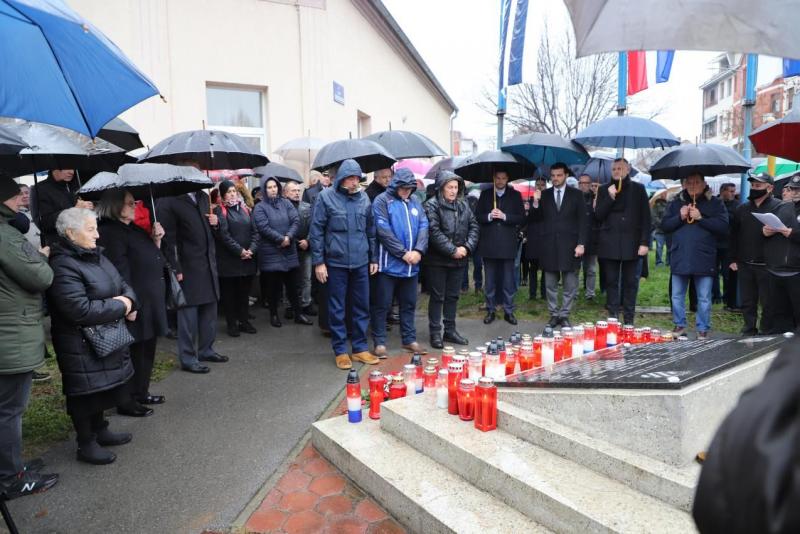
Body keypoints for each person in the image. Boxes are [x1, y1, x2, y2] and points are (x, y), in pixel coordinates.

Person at [48, 208, 137, 465]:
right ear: (70, 233)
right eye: (90, 229)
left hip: (104, 335)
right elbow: (78, 309)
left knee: (101, 387)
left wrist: (129, 300)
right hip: (79, 341)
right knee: (84, 393)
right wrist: (121, 306)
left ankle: (101, 429)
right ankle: (85, 443)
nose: (98, 235)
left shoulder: (95, 255)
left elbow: (122, 283)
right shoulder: (63, 263)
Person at [0, 180, 58, 498]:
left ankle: (12, 466)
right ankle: (10, 477)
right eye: (15, 196)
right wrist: (41, 256)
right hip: (10, 334)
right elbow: (40, 276)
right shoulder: (6, 235)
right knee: (9, 409)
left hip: (8, 330)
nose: (21, 201)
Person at [96, 190, 168, 416]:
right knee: (132, 352)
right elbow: (119, 272)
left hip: (150, 298)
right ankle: (126, 400)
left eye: (134, 202)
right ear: (116, 206)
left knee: (147, 348)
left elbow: (151, 257)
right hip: (135, 302)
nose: (135, 206)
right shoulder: (111, 232)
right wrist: (129, 303)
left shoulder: (134, 228)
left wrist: (156, 240)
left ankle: (141, 392)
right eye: (129, 203)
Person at [309, 159, 380, 370]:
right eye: (350, 178)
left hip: (360, 262)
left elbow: (371, 231)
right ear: (341, 179)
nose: (354, 182)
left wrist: (373, 258)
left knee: (361, 306)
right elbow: (316, 231)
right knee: (337, 308)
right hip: (335, 263)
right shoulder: (325, 197)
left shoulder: (364, 198)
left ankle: (359, 349)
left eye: (357, 178)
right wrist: (319, 262)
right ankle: (340, 350)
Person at [157, 180, 227, 374]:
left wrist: (216, 223)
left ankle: (206, 349)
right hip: (186, 266)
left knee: (210, 311)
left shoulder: (203, 197)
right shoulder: (169, 200)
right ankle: (188, 357)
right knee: (188, 315)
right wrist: (175, 267)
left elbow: (214, 232)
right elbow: (167, 240)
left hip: (208, 264)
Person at [661, 174, 729, 339]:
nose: (692, 185)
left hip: (704, 256)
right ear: (683, 184)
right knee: (677, 294)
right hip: (680, 254)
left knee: (704, 297)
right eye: (688, 182)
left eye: (696, 182)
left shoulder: (715, 203)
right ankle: (679, 325)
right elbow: (664, 226)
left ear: (704, 184)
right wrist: (680, 217)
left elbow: (723, 227)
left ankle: (703, 327)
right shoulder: (676, 202)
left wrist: (701, 218)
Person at [370, 168, 429, 357]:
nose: (406, 192)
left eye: (409, 189)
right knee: (382, 304)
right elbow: (383, 230)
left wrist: (419, 250)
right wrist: (403, 253)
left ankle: (409, 339)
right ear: (395, 185)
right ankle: (379, 343)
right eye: (403, 188)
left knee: (409, 303)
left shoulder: (415, 201)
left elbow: (423, 225)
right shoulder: (381, 201)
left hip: (411, 265)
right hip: (388, 265)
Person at [423, 171, 479, 349]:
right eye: (450, 187)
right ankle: (435, 332)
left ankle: (450, 330)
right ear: (441, 188)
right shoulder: (431, 206)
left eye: (456, 187)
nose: (453, 191)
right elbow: (434, 231)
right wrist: (452, 250)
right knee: (437, 296)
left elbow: (474, 226)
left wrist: (467, 247)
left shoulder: (463, 205)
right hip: (437, 260)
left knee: (453, 297)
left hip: (459, 259)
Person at [529, 162, 587, 328]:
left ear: (566, 176)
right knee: (550, 284)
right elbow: (534, 219)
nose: (555, 178)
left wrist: (581, 243)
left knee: (570, 284)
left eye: (559, 175)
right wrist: (535, 202)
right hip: (549, 245)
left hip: (571, 246)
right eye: (553, 176)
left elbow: (583, 222)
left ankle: (565, 314)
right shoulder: (544, 195)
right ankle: (554, 314)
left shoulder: (576, 195)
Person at [594, 158, 651, 324]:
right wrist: (609, 198)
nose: (616, 171)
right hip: (609, 243)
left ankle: (628, 319)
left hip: (632, 244)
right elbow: (598, 216)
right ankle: (612, 317)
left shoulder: (638, 189)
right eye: (614, 169)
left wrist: (645, 242)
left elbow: (646, 219)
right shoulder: (604, 189)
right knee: (611, 282)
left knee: (630, 283)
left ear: (628, 170)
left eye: (620, 168)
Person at [254, 176, 312, 327]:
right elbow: (263, 227)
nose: (273, 190)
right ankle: (274, 315)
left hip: (289, 251)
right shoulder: (260, 207)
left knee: (294, 284)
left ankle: (298, 314)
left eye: (275, 187)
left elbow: (295, 220)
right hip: (271, 252)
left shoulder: (286, 203)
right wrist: (281, 239)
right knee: (274, 287)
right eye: (269, 187)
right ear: (264, 189)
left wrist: (288, 236)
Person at [728, 173, 782, 335]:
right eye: (752, 186)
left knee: (768, 302)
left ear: (770, 188)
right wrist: (732, 258)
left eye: (758, 186)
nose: (754, 188)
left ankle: (767, 329)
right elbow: (733, 235)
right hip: (745, 263)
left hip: (768, 264)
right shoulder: (742, 209)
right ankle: (749, 328)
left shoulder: (779, 207)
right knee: (748, 300)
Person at [475, 170, 525, 325]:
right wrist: (489, 216)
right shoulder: (486, 195)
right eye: (498, 178)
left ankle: (508, 310)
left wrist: (505, 217)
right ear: (494, 179)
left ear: (507, 179)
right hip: (489, 243)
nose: (501, 181)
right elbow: (477, 216)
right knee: (489, 281)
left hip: (507, 244)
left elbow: (522, 217)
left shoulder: (515, 195)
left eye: (504, 178)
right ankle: (490, 309)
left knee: (508, 280)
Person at [213, 180, 259, 337]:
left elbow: (255, 232)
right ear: (223, 194)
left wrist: (251, 250)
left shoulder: (245, 209)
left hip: (247, 260)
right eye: (229, 191)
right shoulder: (221, 211)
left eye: (234, 191)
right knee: (230, 295)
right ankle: (232, 324)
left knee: (244, 294)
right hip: (229, 262)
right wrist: (240, 251)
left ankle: (244, 321)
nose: (232, 194)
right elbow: (224, 236)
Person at [761, 174, 800, 333]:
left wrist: (792, 233)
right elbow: (766, 230)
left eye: (798, 189)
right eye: (792, 188)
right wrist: (765, 231)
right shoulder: (782, 207)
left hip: (797, 270)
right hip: (777, 269)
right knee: (778, 315)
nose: (795, 192)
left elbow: (791, 233)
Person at [32, 169, 93, 245]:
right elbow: (43, 223)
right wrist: (73, 210)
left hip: (80, 241)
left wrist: (88, 207)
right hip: (58, 244)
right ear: (54, 168)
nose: (71, 172)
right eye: (66, 168)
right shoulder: (40, 189)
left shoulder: (74, 185)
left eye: (72, 168)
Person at [283, 180, 316, 317]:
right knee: (289, 279)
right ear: (285, 193)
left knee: (306, 278)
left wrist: (307, 241)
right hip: (289, 248)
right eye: (293, 191)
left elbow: (314, 225)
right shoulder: (282, 209)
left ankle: (306, 303)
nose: (297, 193)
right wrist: (295, 241)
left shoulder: (307, 207)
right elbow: (282, 227)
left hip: (306, 248)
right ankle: (290, 305)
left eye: (298, 190)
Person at [717, 183, 739, 310]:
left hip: (728, 245)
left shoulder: (737, 205)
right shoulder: (715, 203)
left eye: (733, 191)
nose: (732, 194)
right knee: (711, 273)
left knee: (728, 274)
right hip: (714, 243)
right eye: (729, 191)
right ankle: (715, 296)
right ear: (722, 191)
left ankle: (729, 301)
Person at [577, 174, 599, 299]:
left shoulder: (596, 197)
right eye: (581, 183)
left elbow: (600, 217)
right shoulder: (574, 196)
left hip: (592, 237)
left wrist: (597, 208)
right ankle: (573, 292)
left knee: (591, 269)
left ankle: (590, 293)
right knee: (575, 268)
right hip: (577, 238)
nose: (584, 185)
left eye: (586, 183)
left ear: (590, 184)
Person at [650, 197, 668, 266]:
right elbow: (654, 217)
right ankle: (659, 262)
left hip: (668, 230)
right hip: (659, 230)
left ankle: (668, 262)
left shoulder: (669, 204)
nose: (665, 195)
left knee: (669, 248)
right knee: (659, 247)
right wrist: (662, 224)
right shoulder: (656, 205)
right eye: (664, 194)